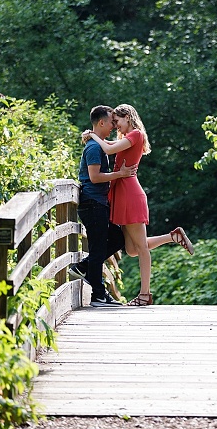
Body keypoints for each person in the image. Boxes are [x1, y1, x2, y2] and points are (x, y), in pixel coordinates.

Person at [83, 103, 194, 307]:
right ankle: (172, 236)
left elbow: (107, 149)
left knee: (141, 248)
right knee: (132, 249)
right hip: (121, 193)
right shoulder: (127, 137)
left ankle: (145, 295)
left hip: (129, 194)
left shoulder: (135, 134)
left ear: (128, 117)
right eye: (113, 123)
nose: (116, 126)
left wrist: (92, 134)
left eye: (117, 122)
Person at [70, 105, 137, 307]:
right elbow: (94, 177)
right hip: (93, 203)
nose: (113, 126)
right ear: (101, 122)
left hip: (98, 203)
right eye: (111, 122)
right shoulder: (93, 147)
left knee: (117, 238)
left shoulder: (98, 144)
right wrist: (120, 174)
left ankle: (83, 267)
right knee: (99, 248)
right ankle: (98, 296)